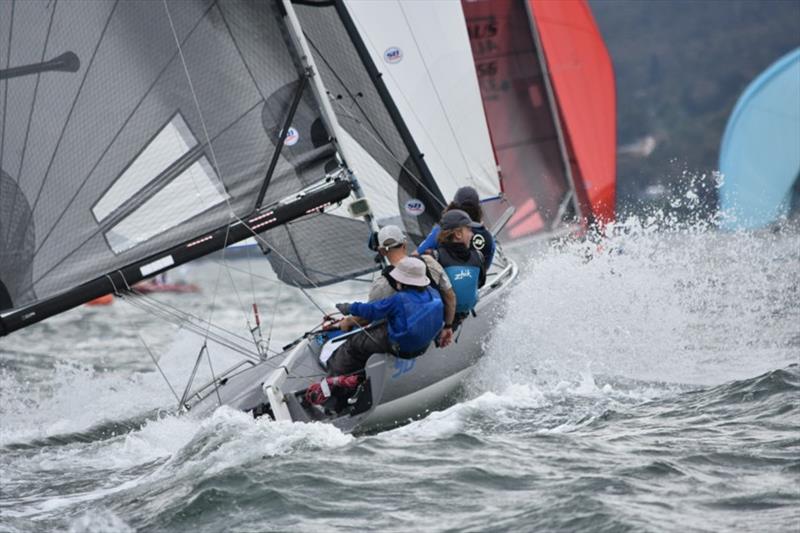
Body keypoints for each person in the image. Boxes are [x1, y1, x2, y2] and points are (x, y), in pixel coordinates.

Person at [335, 224, 457, 347]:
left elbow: (367, 317)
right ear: (404, 244)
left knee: (355, 345)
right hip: (433, 330)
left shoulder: (382, 284)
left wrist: (348, 321)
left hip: (408, 342)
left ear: (382, 251)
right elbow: (450, 296)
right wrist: (448, 326)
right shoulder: (429, 262)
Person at [326, 257, 444, 377]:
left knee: (353, 345)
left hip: (401, 348)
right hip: (423, 346)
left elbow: (371, 310)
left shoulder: (399, 299)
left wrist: (348, 308)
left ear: (403, 281)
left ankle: (333, 381)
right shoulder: (434, 294)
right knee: (389, 323)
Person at [415, 186, 495, 268]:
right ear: (478, 210)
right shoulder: (487, 236)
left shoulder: (442, 231)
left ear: (453, 206)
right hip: (474, 279)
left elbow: (416, 256)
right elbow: (485, 267)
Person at [433, 209, 486, 324]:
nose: (472, 234)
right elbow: (480, 282)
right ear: (458, 234)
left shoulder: (477, 256)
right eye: (469, 230)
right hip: (445, 322)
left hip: (453, 319)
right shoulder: (436, 258)